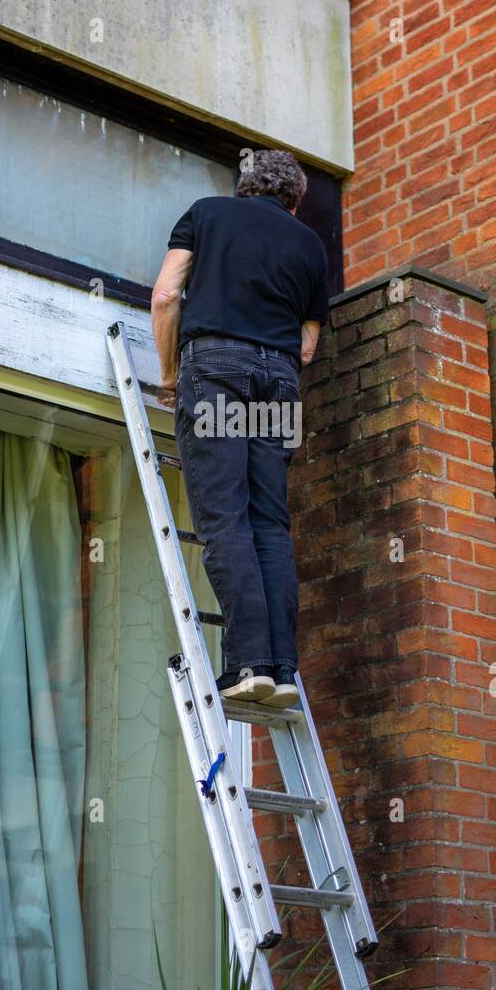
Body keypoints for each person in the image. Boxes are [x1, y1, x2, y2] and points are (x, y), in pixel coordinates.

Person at [151, 149, 328, 706]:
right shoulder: (310, 245)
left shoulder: (206, 213)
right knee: (269, 522)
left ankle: (248, 662)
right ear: (294, 202)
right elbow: (306, 346)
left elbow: (165, 295)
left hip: (216, 370)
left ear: (245, 187)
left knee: (224, 516)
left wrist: (170, 373)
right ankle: (280, 668)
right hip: (277, 382)